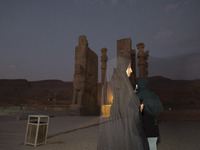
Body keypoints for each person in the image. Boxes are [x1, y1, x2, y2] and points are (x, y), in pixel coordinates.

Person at [97, 57, 149, 150]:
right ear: (123, 68)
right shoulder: (122, 83)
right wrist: (139, 106)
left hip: (123, 117)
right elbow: (128, 102)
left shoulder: (117, 82)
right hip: (127, 120)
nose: (131, 70)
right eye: (129, 67)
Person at [136, 78, 163, 150]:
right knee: (152, 145)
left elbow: (131, 109)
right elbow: (160, 108)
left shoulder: (137, 95)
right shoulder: (153, 94)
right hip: (153, 125)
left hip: (142, 128)